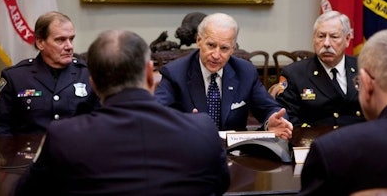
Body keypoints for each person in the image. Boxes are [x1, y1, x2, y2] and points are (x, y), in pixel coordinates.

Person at [14, 30, 230, 196]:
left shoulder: (64, 136)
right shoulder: (202, 128)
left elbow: (25, 193)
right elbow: (220, 185)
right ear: (149, 74)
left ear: (93, 84)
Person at [155, 12, 293, 140]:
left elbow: (270, 109)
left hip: (235, 155)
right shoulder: (175, 73)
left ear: (233, 49)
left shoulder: (245, 72)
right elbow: (155, 114)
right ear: (199, 41)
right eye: (211, 45)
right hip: (190, 150)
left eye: (224, 48)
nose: (216, 55)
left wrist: (273, 122)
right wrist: (182, 125)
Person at [298, 29, 387, 195]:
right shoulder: (298, 72)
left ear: (366, 82)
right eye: (321, 36)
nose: (327, 42)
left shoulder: (334, 150)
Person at [0, 11, 100, 136]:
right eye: (60, 40)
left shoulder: (88, 74)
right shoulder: (15, 77)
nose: (69, 46)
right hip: (30, 153)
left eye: (71, 39)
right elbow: (1, 127)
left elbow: (100, 122)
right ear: (40, 43)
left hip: (76, 152)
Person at [274, 11, 364, 128]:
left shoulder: (362, 68)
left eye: (334, 37)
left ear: (347, 39)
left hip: (360, 140)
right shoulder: (295, 74)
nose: (326, 43)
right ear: (313, 39)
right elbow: (288, 117)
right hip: (315, 141)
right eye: (321, 36)